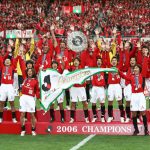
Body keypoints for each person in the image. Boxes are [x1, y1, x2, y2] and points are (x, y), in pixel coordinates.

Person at [119, 64, 149, 135]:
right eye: (134, 68)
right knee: (134, 113)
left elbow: (145, 65)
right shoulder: (131, 76)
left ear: (139, 70)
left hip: (141, 95)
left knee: (143, 112)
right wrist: (118, 71)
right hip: (134, 96)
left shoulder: (142, 75)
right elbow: (124, 76)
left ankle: (146, 130)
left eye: (137, 68)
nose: (135, 69)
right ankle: (136, 130)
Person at [19, 68, 40, 136]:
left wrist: (39, 97)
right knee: (22, 114)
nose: (29, 72)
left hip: (31, 98)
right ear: (27, 72)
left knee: (32, 114)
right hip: (23, 97)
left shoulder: (35, 81)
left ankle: (33, 130)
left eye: (31, 71)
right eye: (28, 71)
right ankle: (23, 130)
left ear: (33, 72)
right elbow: (22, 66)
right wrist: (21, 58)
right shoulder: (25, 78)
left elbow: (37, 90)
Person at [69, 57, 89, 123]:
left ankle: (86, 118)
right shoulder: (71, 69)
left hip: (81, 88)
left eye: (77, 60)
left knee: (84, 103)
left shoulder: (82, 68)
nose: (76, 62)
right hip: (73, 88)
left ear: (79, 62)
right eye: (74, 61)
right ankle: (72, 118)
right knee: (73, 103)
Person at [107, 56, 125, 123]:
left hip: (117, 86)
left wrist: (130, 79)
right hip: (110, 86)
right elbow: (105, 59)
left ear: (117, 62)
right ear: (111, 62)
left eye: (115, 60)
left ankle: (122, 117)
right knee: (110, 101)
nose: (114, 61)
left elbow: (123, 76)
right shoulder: (109, 68)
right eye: (113, 60)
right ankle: (110, 116)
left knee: (120, 101)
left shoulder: (118, 68)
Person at [0, 58, 17, 123]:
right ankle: (0, 118)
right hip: (3, 86)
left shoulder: (12, 67)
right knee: (1, 102)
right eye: (6, 61)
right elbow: (1, 59)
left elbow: (15, 60)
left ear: (10, 62)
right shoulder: (2, 67)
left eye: (8, 61)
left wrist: (18, 55)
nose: (7, 62)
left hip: (10, 86)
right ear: (4, 62)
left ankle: (14, 118)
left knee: (12, 102)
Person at [90, 57, 106, 122]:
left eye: (100, 61)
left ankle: (102, 116)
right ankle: (94, 116)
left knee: (102, 103)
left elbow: (106, 59)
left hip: (101, 88)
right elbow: (93, 56)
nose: (99, 62)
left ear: (101, 62)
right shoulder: (94, 68)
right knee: (93, 103)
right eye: (97, 61)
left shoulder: (103, 68)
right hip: (94, 88)